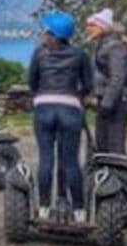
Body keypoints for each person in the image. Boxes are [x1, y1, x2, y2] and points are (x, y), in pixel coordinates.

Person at [29, 13, 93, 223]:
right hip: (70, 109)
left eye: (47, 31)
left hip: (44, 108)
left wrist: (43, 94)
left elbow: (32, 83)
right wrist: (77, 96)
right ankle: (79, 212)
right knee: (71, 162)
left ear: (53, 35)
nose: (44, 34)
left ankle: (44, 209)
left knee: (46, 159)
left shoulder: (39, 53)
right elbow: (88, 85)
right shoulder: (80, 54)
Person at [85, 8, 127, 154]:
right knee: (102, 144)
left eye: (92, 25)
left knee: (115, 146)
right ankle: (106, 175)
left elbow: (117, 78)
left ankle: (118, 176)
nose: (88, 29)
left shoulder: (115, 46)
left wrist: (107, 104)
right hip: (106, 101)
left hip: (118, 102)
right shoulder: (101, 45)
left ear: (102, 27)